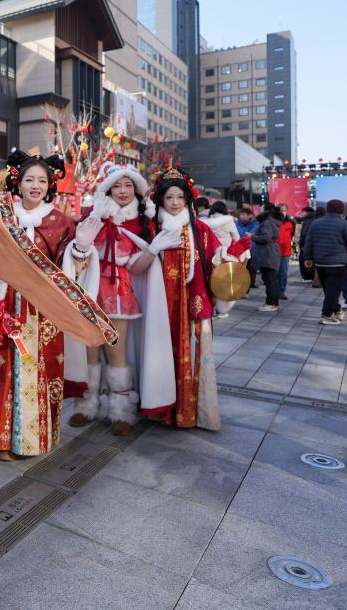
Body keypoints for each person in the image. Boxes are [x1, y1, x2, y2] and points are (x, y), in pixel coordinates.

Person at [62, 161, 175, 436]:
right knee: (89, 348)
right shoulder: (94, 216)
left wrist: (152, 251)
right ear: (107, 189)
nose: (123, 190)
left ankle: (121, 410)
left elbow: (136, 267)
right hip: (90, 290)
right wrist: (83, 243)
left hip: (120, 293)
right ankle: (85, 405)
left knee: (116, 352)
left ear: (136, 190)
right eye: (117, 185)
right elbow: (79, 257)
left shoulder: (142, 222)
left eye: (128, 185)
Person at [0, 150, 75, 460]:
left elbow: (68, 267)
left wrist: (82, 251)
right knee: (8, 370)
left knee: (42, 369)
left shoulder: (61, 222)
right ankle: (4, 439)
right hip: (10, 302)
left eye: (42, 180)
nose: (35, 185)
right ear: (17, 182)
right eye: (29, 179)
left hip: (46, 308)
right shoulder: (2, 215)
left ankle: (35, 438)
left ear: (50, 185)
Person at [150, 167, 222, 431]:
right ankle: (160, 409)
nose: (174, 202)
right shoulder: (152, 228)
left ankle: (190, 412)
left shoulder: (200, 229)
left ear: (187, 199)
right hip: (160, 305)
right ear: (161, 199)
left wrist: (227, 259)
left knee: (192, 354)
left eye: (179, 197)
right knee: (159, 355)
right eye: (169, 197)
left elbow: (216, 258)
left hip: (194, 300)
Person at [303, 199, 347, 325]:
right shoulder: (345, 224)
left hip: (320, 262)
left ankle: (337, 310)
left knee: (329, 290)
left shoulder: (316, 223)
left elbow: (308, 242)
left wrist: (307, 258)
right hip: (338, 263)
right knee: (333, 290)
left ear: (327, 209)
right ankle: (326, 315)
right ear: (341, 210)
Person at [203, 201, 246, 318]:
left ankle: (209, 308)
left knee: (208, 281)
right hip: (223, 255)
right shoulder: (229, 221)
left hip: (208, 255)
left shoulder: (205, 221)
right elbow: (236, 238)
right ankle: (222, 309)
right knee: (222, 282)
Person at [252, 203, 282, 311]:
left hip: (267, 253)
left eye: (260, 208)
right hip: (270, 253)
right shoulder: (272, 221)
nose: (258, 210)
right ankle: (273, 302)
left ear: (266, 210)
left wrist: (252, 237)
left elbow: (266, 237)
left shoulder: (267, 222)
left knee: (269, 279)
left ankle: (271, 303)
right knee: (271, 279)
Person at [236, 208, 259, 288]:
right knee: (241, 270)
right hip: (240, 251)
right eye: (240, 215)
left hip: (252, 250)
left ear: (249, 215)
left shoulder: (255, 224)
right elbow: (243, 235)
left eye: (243, 214)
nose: (241, 216)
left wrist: (246, 235)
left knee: (251, 269)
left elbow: (251, 234)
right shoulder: (236, 224)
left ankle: (249, 285)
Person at [277, 209, 294, 300]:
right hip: (275, 251)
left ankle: (281, 291)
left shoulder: (289, 225)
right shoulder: (275, 224)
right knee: (276, 272)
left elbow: (287, 237)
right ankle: (275, 290)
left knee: (283, 272)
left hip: (285, 251)